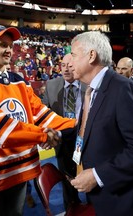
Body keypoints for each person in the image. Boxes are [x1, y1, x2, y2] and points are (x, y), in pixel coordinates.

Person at [0, 25, 76, 216]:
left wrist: (76, 126)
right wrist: (42, 136)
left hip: (19, 169)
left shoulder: (19, 81)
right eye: (2, 44)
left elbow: (41, 115)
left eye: (11, 46)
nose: (9, 50)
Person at [67, 31, 133, 215]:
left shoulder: (124, 89)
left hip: (129, 203)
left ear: (91, 55)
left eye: (73, 55)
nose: (70, 61)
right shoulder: (91, 91)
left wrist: (98, 175)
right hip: (106, 199)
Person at [42, 53, 86, 210]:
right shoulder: (52, 85)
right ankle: (72, 207)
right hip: (62, 142)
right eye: (63, 66)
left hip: (86, 141)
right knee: (68, 184)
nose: (66, 69)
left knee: (90, 182)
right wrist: (46, 134)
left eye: (70, 66)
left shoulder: (88, 84)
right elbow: (43, 112)